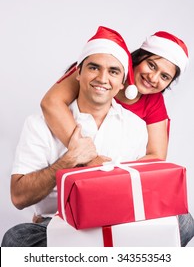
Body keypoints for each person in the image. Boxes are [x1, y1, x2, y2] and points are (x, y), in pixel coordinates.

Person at [1, 26, 148, 247]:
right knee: (16, 239)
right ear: (77, 73)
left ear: (122, 82)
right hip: (60, 225)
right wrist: (68, 162)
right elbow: (19, 198)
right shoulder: (38, 124)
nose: (102, 78)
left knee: (183, 222)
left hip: (118, 224)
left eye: (113, 71)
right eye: (93, 67)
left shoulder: (136, 126)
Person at [40, 30, 189, 161]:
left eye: (164, 77)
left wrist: (115, 175)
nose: (153, 78)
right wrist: (88, 158)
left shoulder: (154, 101)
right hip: (63, 159)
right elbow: (51, 102)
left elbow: (156, 156)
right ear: (138, 57)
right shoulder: (97, 68)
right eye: (151, 65)